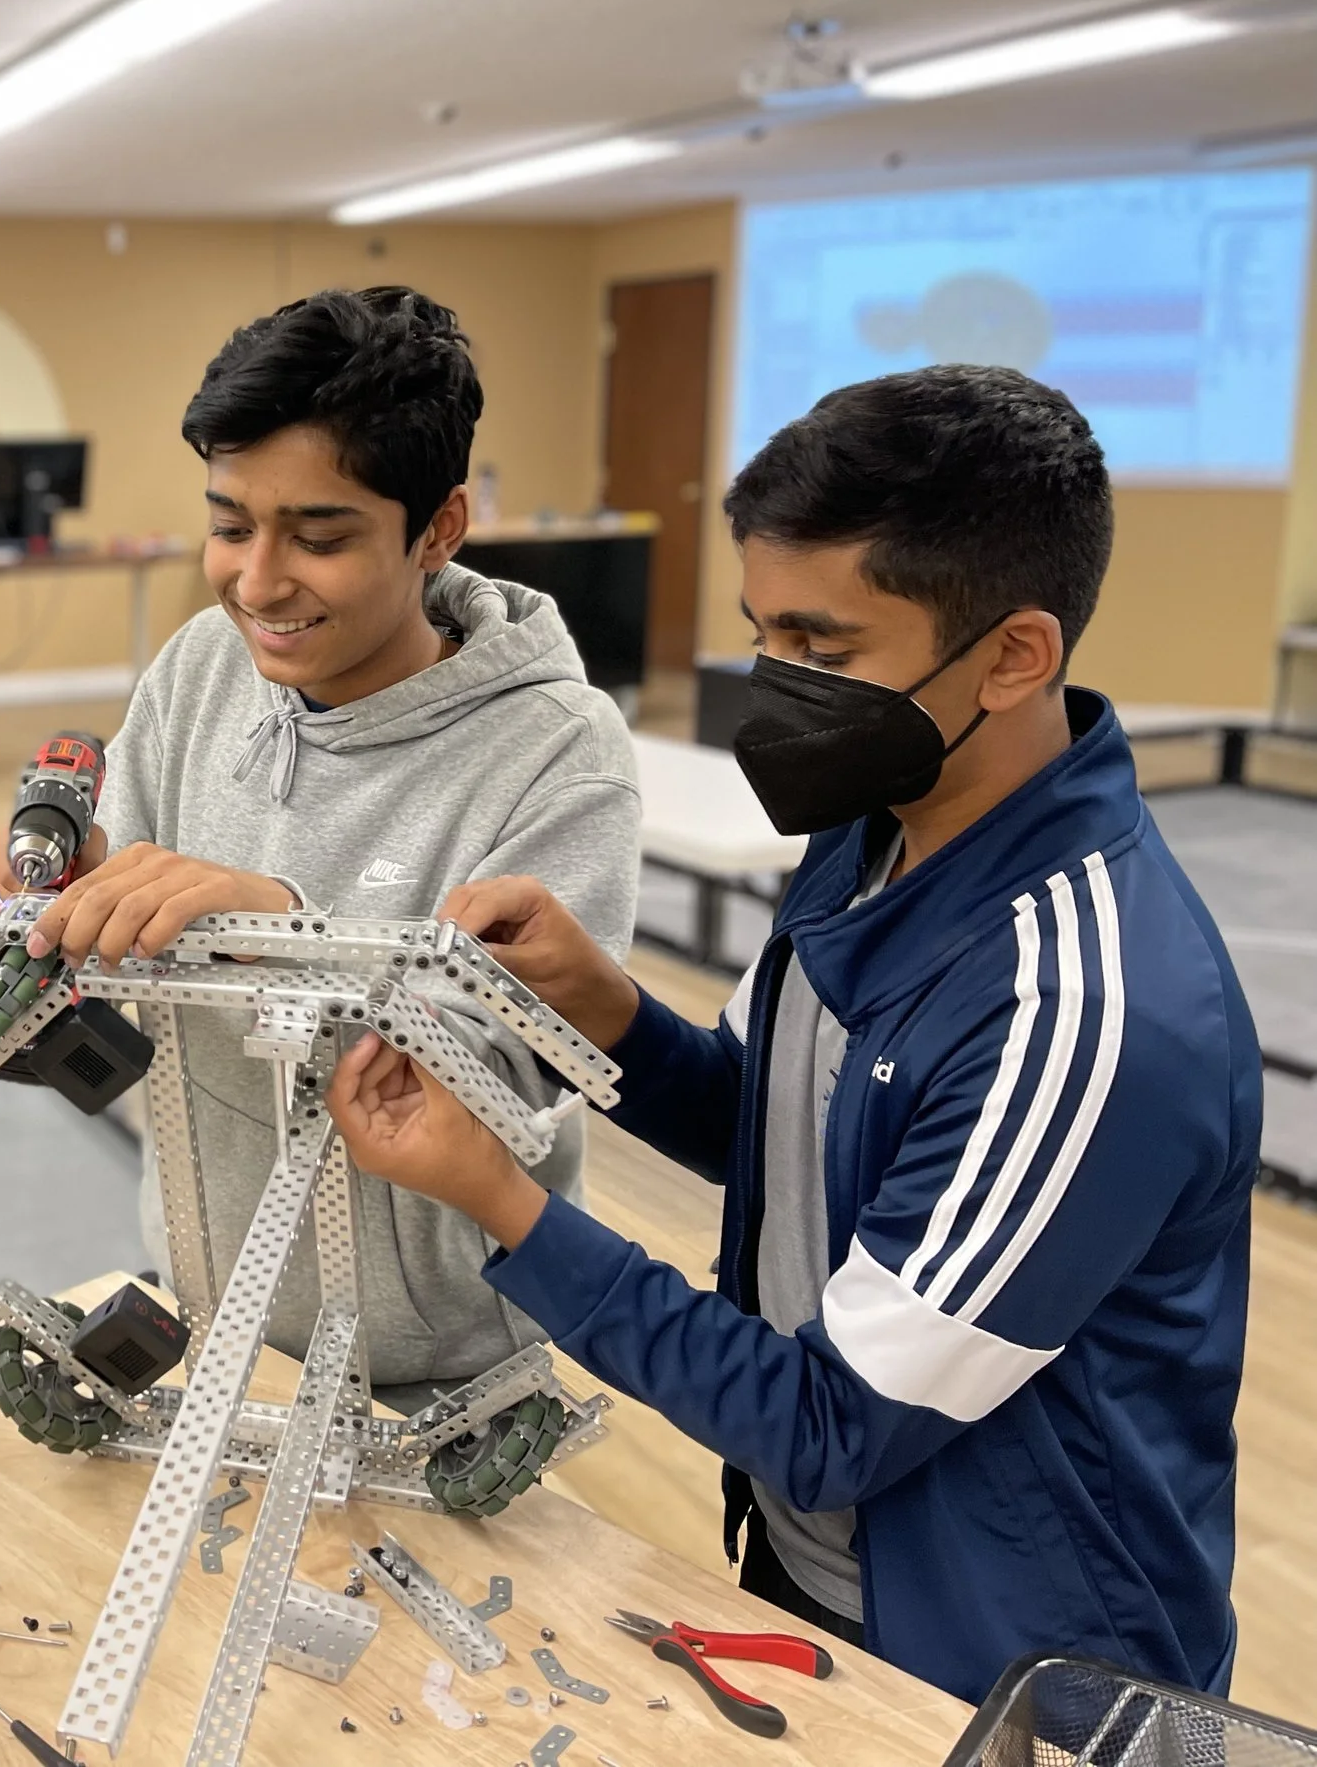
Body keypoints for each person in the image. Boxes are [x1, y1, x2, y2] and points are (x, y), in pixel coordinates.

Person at [325, 364, 1259, 1701]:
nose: (780, 686)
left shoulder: (1076, 1009)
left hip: (1014, 1666)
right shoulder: (871, 830)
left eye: (825, 648)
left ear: (1015, 654)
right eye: (766, 634)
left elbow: (827, 1422)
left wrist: (502, 1201)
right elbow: (791, 1127)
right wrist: (609, 1011)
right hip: (817, 1567)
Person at [3, 286, 640, 1412]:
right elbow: (131, 926)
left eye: (320, 535)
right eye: (230, 525)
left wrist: (278, 934)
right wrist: (68, 917)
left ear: (438, 529)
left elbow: (513, 1082)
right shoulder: (205, 663)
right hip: (209, 1298)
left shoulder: (556, 753)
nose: (256, 583)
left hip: (438, 1366)